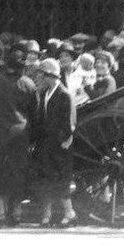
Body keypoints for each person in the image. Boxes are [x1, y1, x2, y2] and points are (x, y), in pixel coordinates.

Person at [0, 42, 39, 226]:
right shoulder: (29, 84)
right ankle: (17, 213)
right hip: (20, 134)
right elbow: (34, 113)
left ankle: (0, 213)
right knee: (17, 173)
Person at [31, 58, 77, 227]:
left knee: (60, 178)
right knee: (46, 178)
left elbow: (69, 120)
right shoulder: (44, 94)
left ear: (50, 75)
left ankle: (69, 213)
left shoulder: (64, 95)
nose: (41, 78)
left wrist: (66, 138)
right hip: (45, 143)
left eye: (43, 75)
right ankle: (47, 214)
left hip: (59, 143)